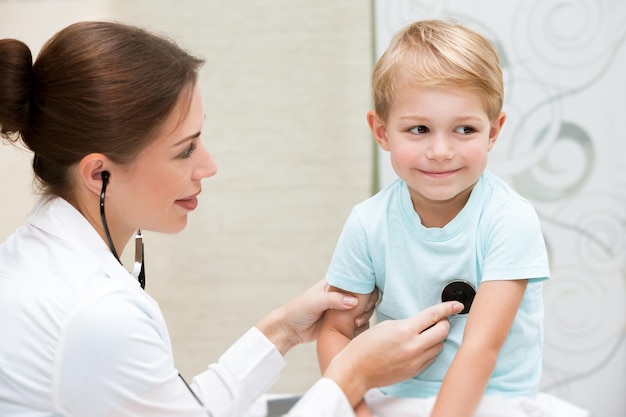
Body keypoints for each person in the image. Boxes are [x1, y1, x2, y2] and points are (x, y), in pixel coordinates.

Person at [0, 21, 465, 417]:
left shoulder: (40, 255)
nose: (208, 165)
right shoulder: (94, 314)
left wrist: (282, 329)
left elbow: (180, 408)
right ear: (100, 174)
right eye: (185, 149)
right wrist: (353, 375)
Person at [317, 19, 552, 417]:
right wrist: (357, 411)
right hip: (393, 400)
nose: (440, 151)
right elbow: (337, 330)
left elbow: (481, 350)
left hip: (493, 401)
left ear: (493, 132)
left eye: (464, 128)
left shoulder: (510, 220)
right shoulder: (368, 222)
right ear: (382, 131)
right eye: (419, 129)